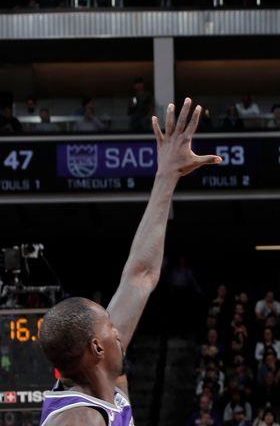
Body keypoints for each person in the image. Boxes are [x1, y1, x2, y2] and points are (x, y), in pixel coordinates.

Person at [37, 98, 222, 425]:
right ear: (97, 347)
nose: (119, 330)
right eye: (109, 326)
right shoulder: (78, 420)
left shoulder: (99, 382)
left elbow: (140, 276)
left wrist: (166, 177)